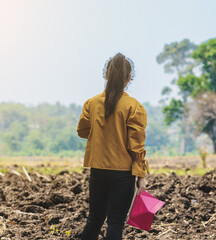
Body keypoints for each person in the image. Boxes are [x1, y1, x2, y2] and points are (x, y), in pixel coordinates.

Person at [77, 52, 149, 240]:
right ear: (129, 78)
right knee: (115, 223)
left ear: (106, 75)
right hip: (122, 174)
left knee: (94, 220)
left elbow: (82, 131)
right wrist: (141, 176)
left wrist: (102, 133)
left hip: (98, 171)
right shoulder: (134, 107)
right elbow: (136, 146)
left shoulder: (91, 104)